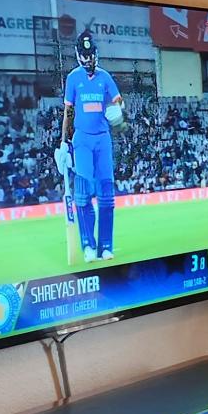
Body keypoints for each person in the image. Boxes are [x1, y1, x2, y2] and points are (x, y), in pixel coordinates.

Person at [63, 30, 124, 262]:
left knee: (106, 195)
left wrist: (119, 109)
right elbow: (68, 112)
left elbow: (118, 101)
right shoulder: (73, 78)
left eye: (91, 55)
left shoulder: (105, 77)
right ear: (79, 56)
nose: (88, 59)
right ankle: (88, 245)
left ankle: (106, 246)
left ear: (95, 54)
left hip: (102, 139)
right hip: (82, 140)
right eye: (84, 56)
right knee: (83, 193)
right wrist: (63, 142)